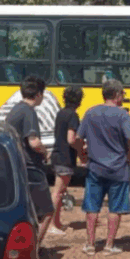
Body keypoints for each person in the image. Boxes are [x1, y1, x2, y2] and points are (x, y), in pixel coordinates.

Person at [73, 79, 130, 255]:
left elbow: (78, 139)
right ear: (117, 95)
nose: (123, 97)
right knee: (115, 208)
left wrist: (82, 156)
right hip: (118, 168)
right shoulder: (122, 115)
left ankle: (90, 244)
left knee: (92, 207)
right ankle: (109, 245)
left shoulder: (91, 112)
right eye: (123, 94)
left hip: (95, 167)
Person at [5, 75, 54, 243]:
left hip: (18, 164)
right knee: (47, 211)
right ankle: (34, 249)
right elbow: (33, 141)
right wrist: (45, 152)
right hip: (31, 167)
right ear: (39, 94)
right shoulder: (29, 112)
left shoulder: (16, 109)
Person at [46, 85, 84, 237]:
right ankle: (50, 225)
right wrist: (81, 148)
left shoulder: (61, 113)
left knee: (59, 192)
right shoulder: (73, 116)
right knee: (57, 192)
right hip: (65, 157)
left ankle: (56, 222)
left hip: (57, 155)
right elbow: (71, 139)